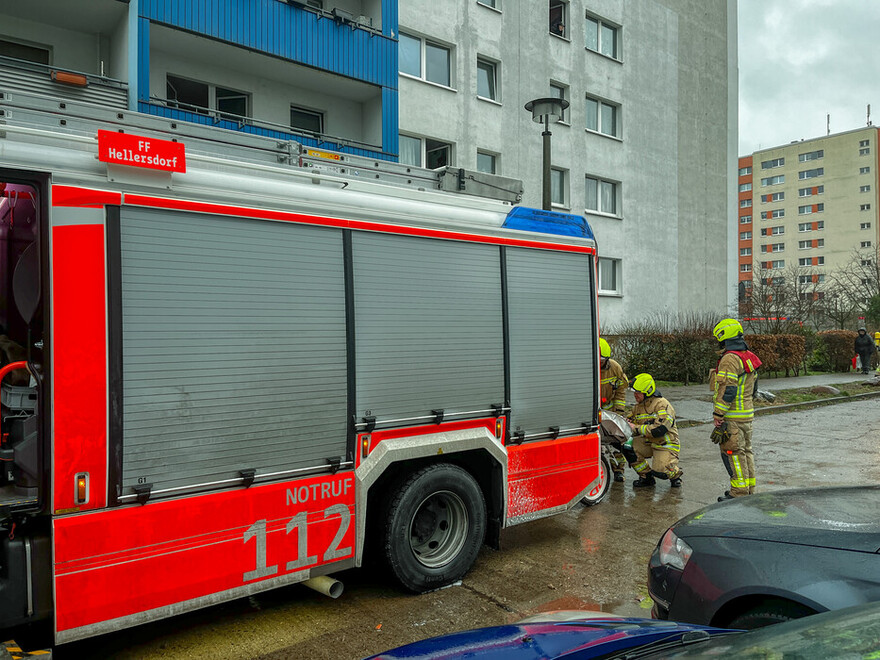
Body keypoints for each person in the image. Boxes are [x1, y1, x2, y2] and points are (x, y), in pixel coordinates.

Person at [711, 318, 761, 501]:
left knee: (732, 454)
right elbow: (754, 388)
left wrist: (718, 413)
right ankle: (749, 489)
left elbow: (727, 389)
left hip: (732, 416)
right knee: (746, 451)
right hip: (747, 415)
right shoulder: (748, 355)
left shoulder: (729, 359)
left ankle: (738, 493)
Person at [620, 373, 682, 488]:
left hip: (665, 444)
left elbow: (659, 430)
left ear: (647, 392)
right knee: (628, 448)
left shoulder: (662, 405)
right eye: (634, 392)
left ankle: (675, 474)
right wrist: (625, 422)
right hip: (648, 442)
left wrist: (636, 428)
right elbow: (630, 420)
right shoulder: (638, 406)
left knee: (661, 472)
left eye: (638, 392)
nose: (635, 395)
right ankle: (646, 477)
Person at [598, 337, 628, 482]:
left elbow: (621, 390)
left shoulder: (615, 368)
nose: (600, 363)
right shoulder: (587, 367)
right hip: (593, 413)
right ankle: (598, 471)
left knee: (616, 441)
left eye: (602, 360)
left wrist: (619, 411)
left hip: (610, 412)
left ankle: (618, 470)